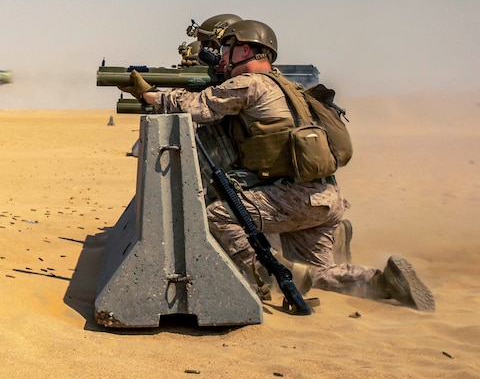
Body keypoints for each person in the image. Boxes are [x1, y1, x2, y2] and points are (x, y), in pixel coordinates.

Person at [121, 19, 435, 311]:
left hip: (293, 199)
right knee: (320, 273)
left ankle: (266, 277)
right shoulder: (290, 87)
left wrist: (149, 94)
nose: (222, 57)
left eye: (227, 49)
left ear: (245, 49)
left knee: (215, 215)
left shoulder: (251, 83)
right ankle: (384, 282)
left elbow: (197, 106)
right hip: (325, 199)